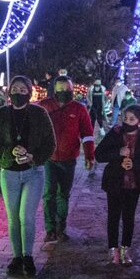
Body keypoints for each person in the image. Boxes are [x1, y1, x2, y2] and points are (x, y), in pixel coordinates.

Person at [0, 75, 56, 277]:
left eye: (23, 90)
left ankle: (28, 256)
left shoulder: (39, 113)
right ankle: (16, 257)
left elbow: (50, 143)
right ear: (9, 92)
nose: (18, 93)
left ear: (29, 92)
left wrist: (34, 157)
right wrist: (9, 153)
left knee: (26, 216)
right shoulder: (0, 115)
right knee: (13, 218)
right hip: (9, 173)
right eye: (15, 89)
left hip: (33, 173)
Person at [94, 105, 140, 266]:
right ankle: (112, 249)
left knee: (129, 218)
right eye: (125, 118)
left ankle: (125, 249)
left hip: (134, 185)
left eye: (131, 119)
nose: (127, 122)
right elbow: (99, 154)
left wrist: (135, 165)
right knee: (113, 217)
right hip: (114, 182)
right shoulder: (116, 133)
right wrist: (118, 153)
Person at [38, 75, 95, 242]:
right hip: (49, 158)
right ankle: (50, 229)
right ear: (55, 90)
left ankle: (60, 228)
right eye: (61, 89)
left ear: (72, 89)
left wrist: (89, 156)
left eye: (67, 89)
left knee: (63, 194)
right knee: (49, 194)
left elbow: (87, 134)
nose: (64, 91)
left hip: (69, 159)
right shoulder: (45, 106)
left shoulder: (79, 109)